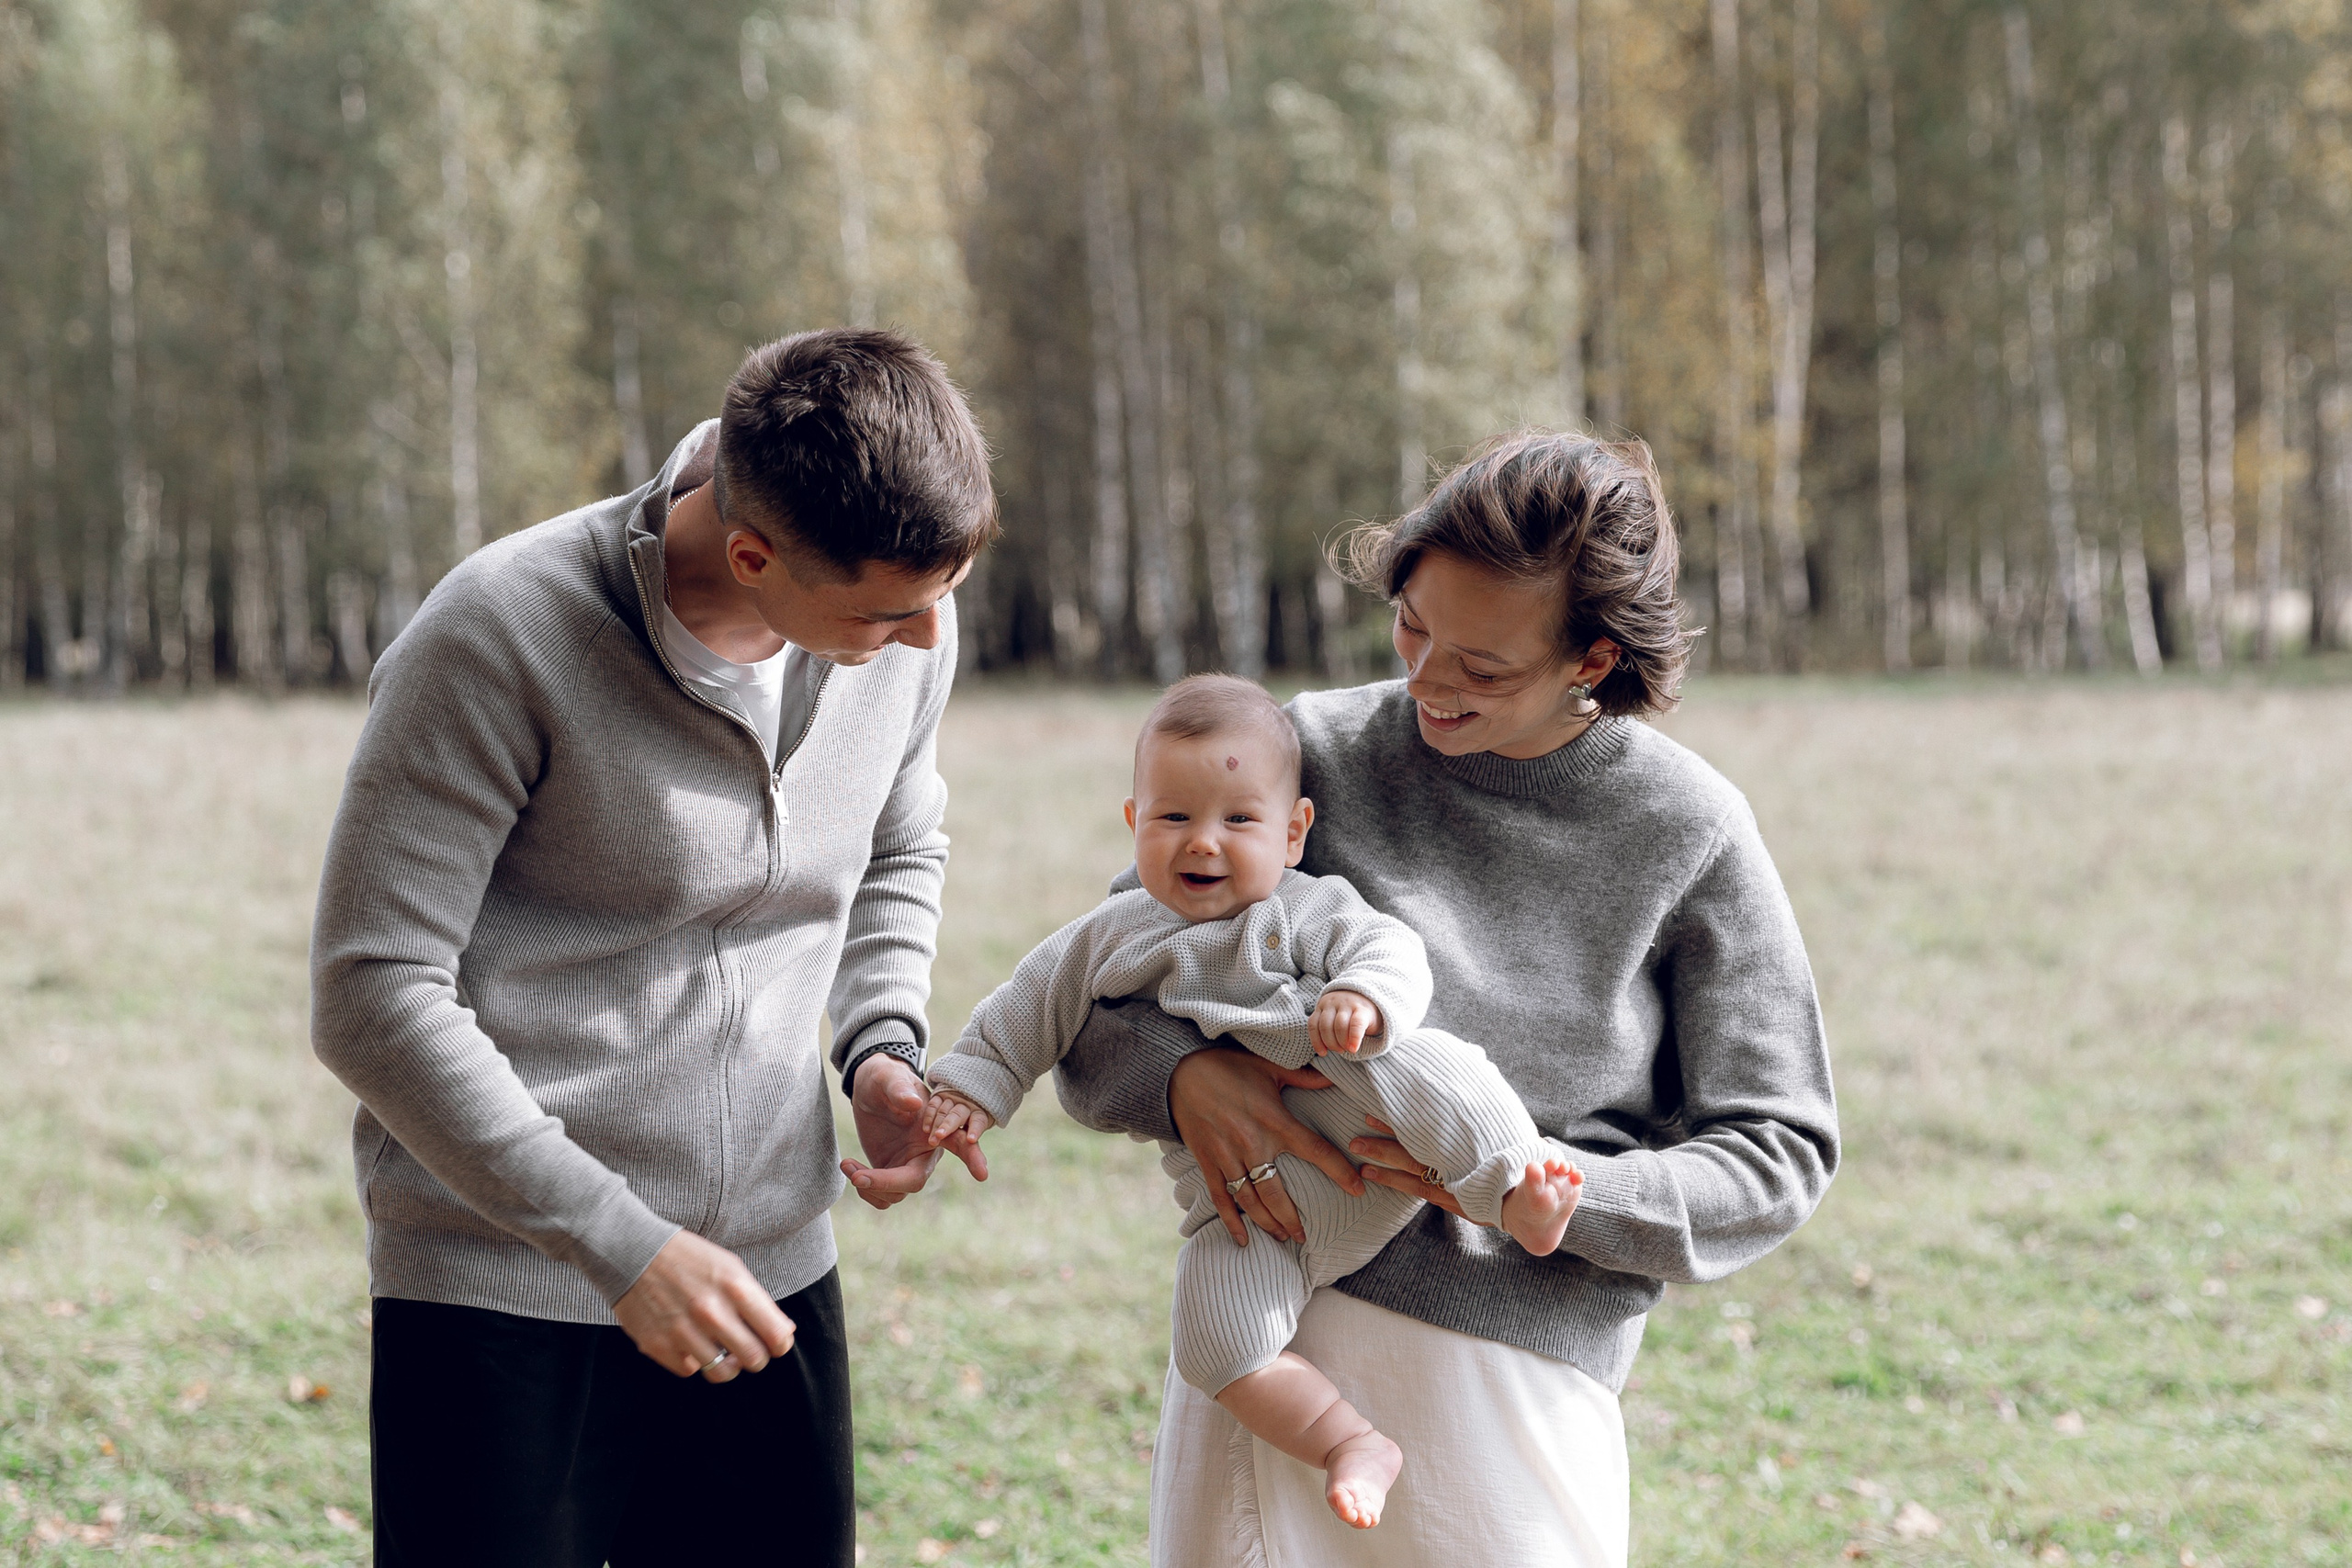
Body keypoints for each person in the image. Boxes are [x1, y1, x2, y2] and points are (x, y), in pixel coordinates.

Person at [1048, 432, 1841, 1566]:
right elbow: (1092, 989)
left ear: (1594, 660)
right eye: (1412, 626)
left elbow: (1778, 1152)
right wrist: (1185, 1081)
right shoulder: (1302, 751)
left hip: (1513, 1385)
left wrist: (1558, 1196)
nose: (1424, 680)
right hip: (1268, 1341)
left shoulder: (1690, 831)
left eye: (1482, 666)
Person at [310, 327, 992, 1567]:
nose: (928, 643)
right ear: (750, 553)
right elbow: (372, 990)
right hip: (503, 1290)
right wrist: (619, 1243)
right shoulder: (498, 632)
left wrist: (881, 1043)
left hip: (770, 1278)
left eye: (939, 601)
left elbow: (899, 842)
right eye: (891, 614)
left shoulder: (896, 619)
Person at [919, 675, 1582, 1529]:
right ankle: (1349, 1442)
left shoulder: (1308, 909)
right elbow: (1025, 1011)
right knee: (1213, 1339)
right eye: (1174, 818)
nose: (1204, 843)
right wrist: (969, 1090)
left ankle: (1517, 1193)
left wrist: (1366, 996)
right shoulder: (1108, 935)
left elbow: (1393, 948)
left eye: (1239, 820)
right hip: (1264, 1209)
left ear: (1294, 832)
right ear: (1134, 823)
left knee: (1432, 1067)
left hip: (1377, 1126)